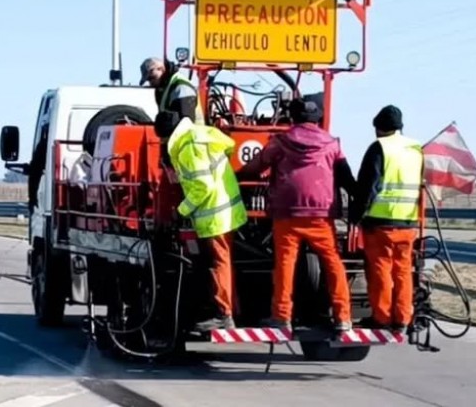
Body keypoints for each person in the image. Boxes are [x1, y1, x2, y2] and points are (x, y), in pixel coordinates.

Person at [237, 97, 356, 332]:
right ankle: (343, 317)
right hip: (321, 214)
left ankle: (281, 317)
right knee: (333, 263)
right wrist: (358, 198)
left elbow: (257, 166)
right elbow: (345, 175)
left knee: (284, 264)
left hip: (287, 212)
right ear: (318, 118)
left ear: (292, 117)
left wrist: (236, 175)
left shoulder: (281, 141)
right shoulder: (332, 144)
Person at [153, 110, 248, 331]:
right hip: (227, 206)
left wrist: (182, 211)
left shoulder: (187, 147)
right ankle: (232, 309)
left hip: (214, 212)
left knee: (218, 263)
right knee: (224, 261)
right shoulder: (202, 133)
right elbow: (229, 145)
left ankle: (224, 315)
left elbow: (202, 186)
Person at [348, 105, 424, 333]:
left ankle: (381, 318)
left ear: (378, 128)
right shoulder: (416, 148)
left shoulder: (379, 148)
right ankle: (402, 319)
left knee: (380, 270)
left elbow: (367, 187)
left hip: (380, 223)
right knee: (403, 272)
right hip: (409, 223)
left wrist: (355, 216)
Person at [140, 57, 205, 125]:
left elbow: (186, 121)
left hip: (192, 134)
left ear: (161, 69)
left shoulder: (181, 87)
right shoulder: (164, 89)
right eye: (148, 80)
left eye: (152, 78)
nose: (151, 83)